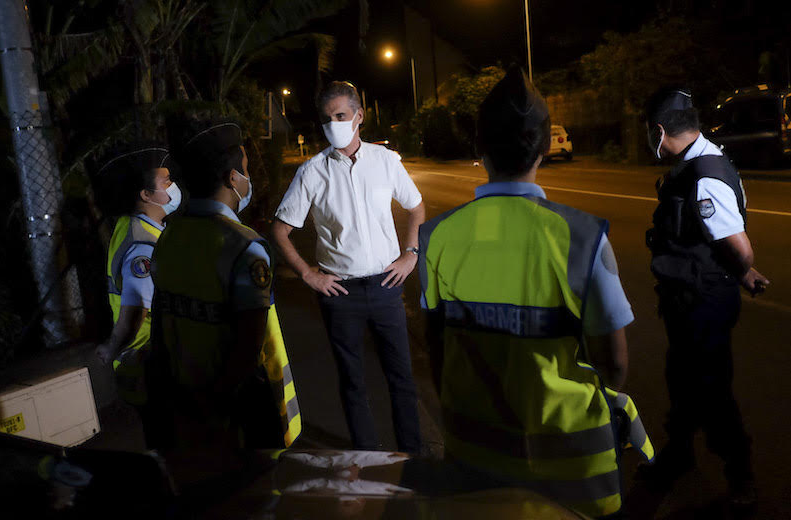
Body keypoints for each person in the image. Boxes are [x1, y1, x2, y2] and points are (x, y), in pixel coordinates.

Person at [418, 67, 653, 519]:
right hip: (573, 476)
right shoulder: (582, 237)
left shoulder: (437, 236)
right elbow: (614, 364)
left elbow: (436, 346)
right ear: (545, 146)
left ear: (478, 147)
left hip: (474, 462)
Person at [271, 81, 423, 454]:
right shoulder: (312, 171)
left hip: (387, 286)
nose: (333, 125)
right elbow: (280, 230)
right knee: (353, 381)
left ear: (359, 116)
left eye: (340, 116)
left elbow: (416, 207)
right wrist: (309, 274)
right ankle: (365, 456)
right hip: (341, 295)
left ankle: (414, 456)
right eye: (327, 119)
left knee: (402, 378)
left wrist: (411, 253)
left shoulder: (385, 161)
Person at [639, 88, 769, 506]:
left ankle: (741, 475)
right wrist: (741, 273)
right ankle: (679, 454)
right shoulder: (698, 162)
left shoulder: (704, 175)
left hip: (703, 301)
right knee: (681, 379)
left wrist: (742, 267)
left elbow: (741, 247)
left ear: (659, 131)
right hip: (690, 296)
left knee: (711, 389)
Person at [150, 120, 301, 466]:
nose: (248, 177)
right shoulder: (245, 246)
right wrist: (216, 403)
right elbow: (249, 343)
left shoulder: (169, 236)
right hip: (236, 406)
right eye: (245, 169)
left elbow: (161, 322)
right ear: (233, 178)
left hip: (183, 395)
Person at [93, 144, 180, 445]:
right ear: (145, 195)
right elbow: (135, 311)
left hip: (149, 361)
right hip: (149, 361)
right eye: (166, 181)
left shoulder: (131, 226)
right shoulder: (144, 246)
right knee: (169, 441)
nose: (173, 186)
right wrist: (111, 348)